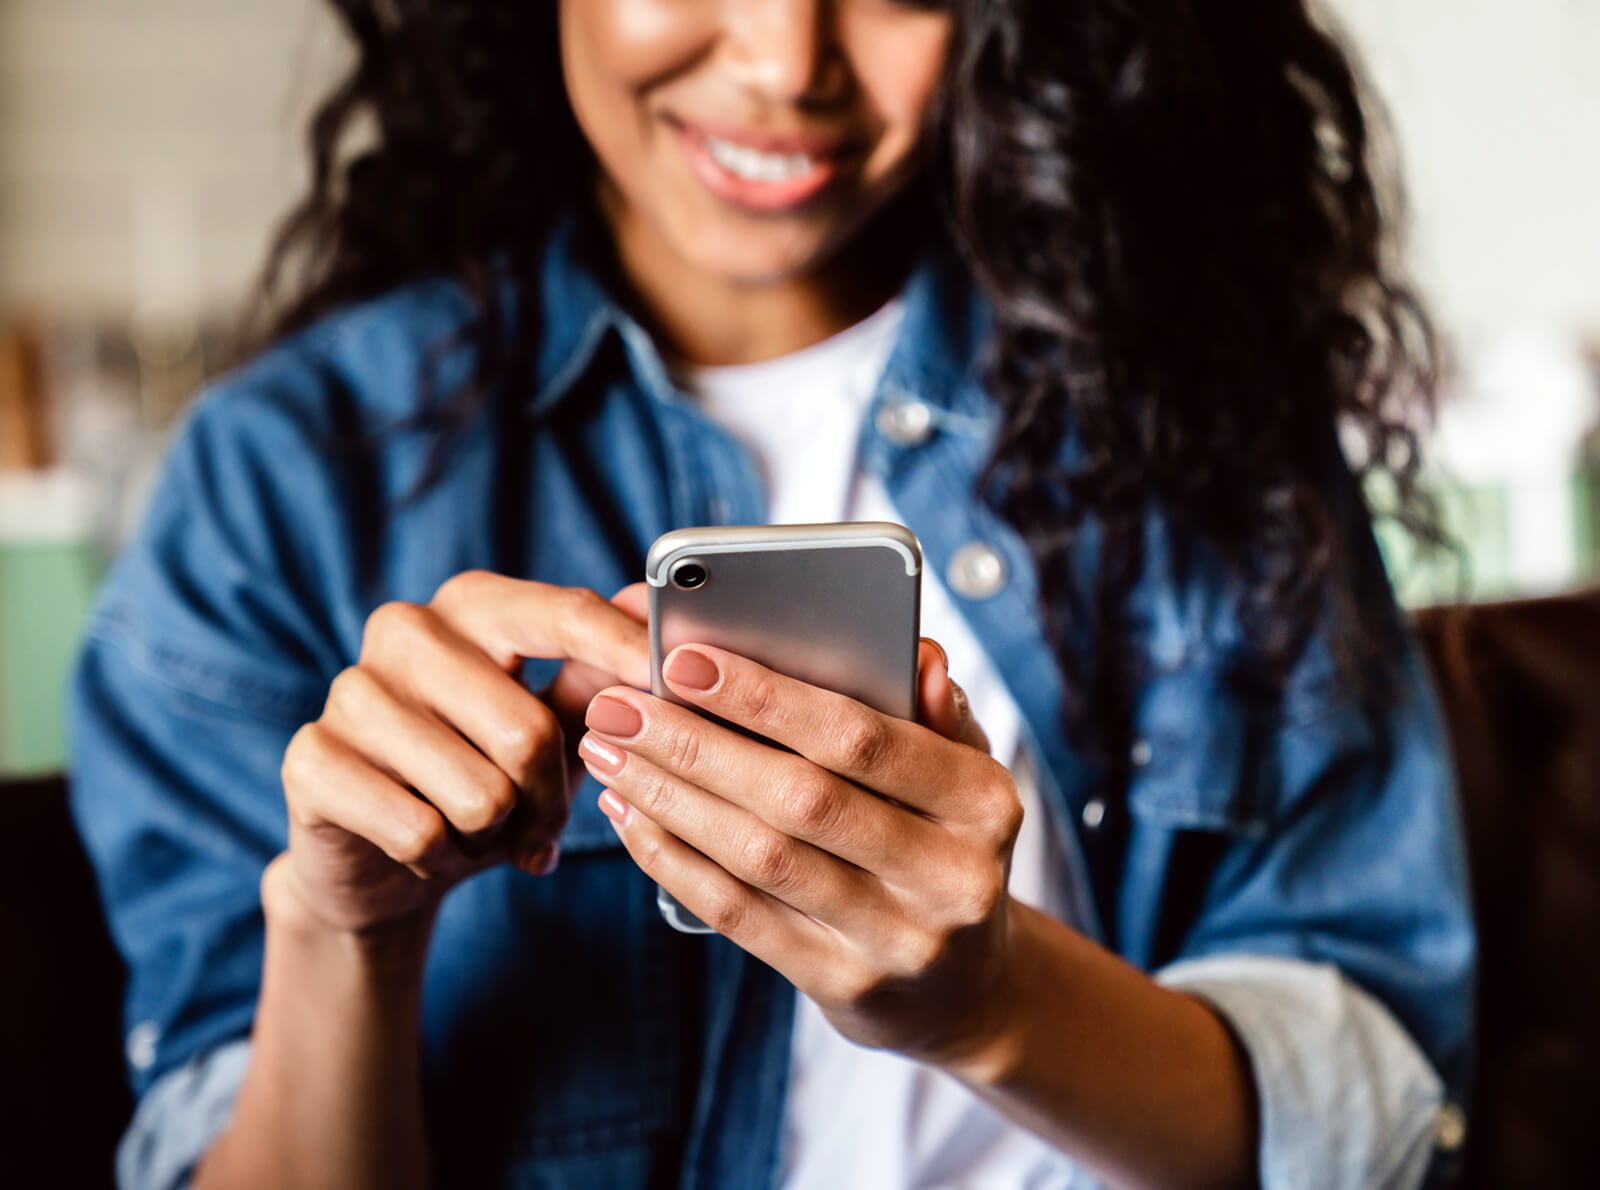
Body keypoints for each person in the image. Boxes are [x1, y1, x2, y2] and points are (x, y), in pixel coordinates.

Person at [69, 2, 1475, 1188]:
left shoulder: (1195, 413)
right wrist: (343, 932)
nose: (786, 60)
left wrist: (989, 1004)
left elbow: (1379, 1112)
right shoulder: (287, 482)